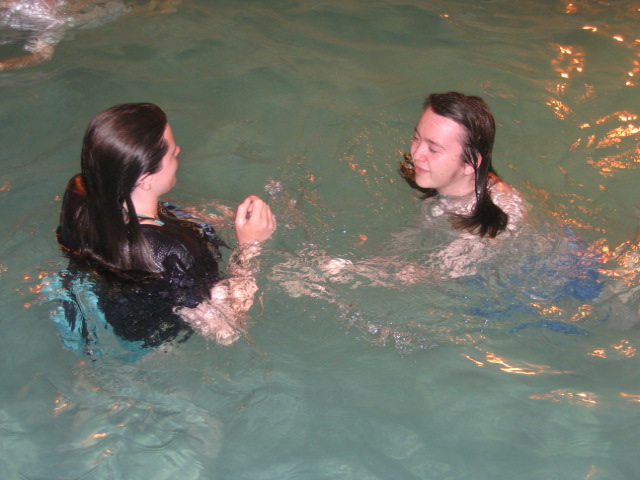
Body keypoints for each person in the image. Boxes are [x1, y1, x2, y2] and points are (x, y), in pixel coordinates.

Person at [53, 102, 276, 360]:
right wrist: (249, 248)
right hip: (153, 347)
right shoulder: (172, 252)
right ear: (145, 179)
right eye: (171, 152)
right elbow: (225, 331)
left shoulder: (81, 193)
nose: (178, 150)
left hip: (100, 305)